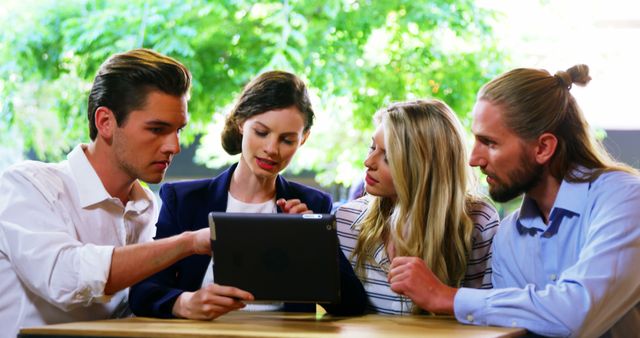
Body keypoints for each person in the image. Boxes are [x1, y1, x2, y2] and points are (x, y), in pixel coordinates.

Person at [404, 65, 640, 337]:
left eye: (489, 142)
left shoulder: (624, 198)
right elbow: (516, 331)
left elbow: (577, 314)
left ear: (543, 148)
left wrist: (447, 297)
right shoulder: (507, 235)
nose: (473, 159)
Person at [0, 49, 213, 337]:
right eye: (157, 129)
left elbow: (148, 299)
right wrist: (187, 243)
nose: (174, 147)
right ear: (105, 122)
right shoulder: (28, 185)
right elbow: (65, 278)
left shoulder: (149, 207)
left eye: (178, 130)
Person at [129, 70, 366, 319]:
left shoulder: (314, 204)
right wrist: (184, 303)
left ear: (303, 139)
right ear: (241, 123)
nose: (271, 149)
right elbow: (144, 292)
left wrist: (313, 243)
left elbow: (352, 304)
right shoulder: (185, 199)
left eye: (287, 140)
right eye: (261, 133)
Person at [336, 99, 499, 315]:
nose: (368, 162)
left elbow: (489, 314)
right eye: (372, 147)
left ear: (423, 168)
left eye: (388, 157)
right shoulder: (345, 221)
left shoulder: (478, 222)